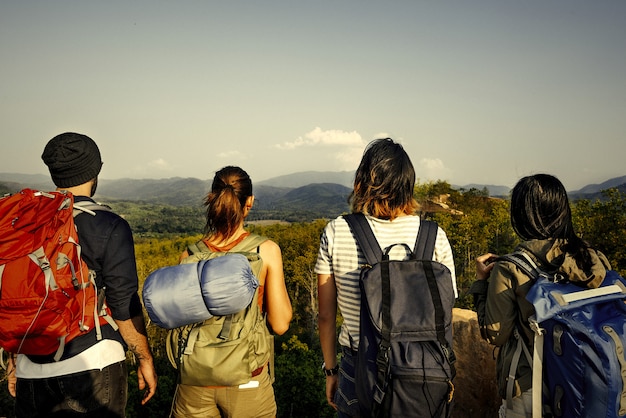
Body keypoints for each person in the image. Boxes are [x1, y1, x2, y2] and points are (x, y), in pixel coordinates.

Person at [6, 132, 157, 417]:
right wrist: (144, 358)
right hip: (93, 365)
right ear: (95, 171)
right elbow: (124, 307)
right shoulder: (110, 226)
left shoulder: (23, 224)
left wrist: (15, 360)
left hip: (30, 367)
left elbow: (20, 296)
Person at [316, 138, 458, 417]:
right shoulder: (434, 236)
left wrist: (331, 370)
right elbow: (447, 305)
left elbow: (325, 315)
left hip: (359, 368)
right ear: (408, 185)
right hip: (423, 370)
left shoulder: (336, 232)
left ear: (362, 182)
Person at [471, 173, 611, 418]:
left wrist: (481, 283)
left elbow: (496, 333)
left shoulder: (510, 267)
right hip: (589, 380)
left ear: (522, 216)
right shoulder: (592, 258)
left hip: (531, 387)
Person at [169, 165, 293, 418]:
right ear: (250, 202)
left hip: (194, 382)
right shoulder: (265, 251)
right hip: (247, 380)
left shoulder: (189, 255)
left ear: (212, 199)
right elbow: (280, 324)